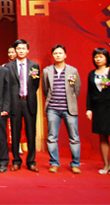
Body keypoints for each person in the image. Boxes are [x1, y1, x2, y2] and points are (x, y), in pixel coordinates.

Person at [42, 44, 81, 174]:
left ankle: (75, 164)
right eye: (55, 53)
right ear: (53, 55)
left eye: (60, 53)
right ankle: (54, 163)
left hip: (69, 109)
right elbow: (45, 89)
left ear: (65, 55)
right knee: (52, 137)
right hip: (52, 109)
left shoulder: (73, 71)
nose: (58, 55)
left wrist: (70, 101)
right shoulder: (47, 71)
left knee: (74, 138)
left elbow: (77, 89)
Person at [86, 47, 110, 176]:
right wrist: (89, 109)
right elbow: (90, 93)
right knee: (102, 137)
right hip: (98, 108)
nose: (98, 59)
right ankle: (106, 165)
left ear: (106, 58)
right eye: (96, 56)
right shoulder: (92, 74)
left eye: (101, 56)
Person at [6, 38, 40, 172]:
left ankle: (31, 161)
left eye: (23, 49)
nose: (21, 51)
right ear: (15, 51)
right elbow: (7, 86)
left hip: (29, 102)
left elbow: (35, 84)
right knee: (15, 132)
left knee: (31, 132)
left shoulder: (34, 66)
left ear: (27, 50)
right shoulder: (9, 66)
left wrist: (28, 95)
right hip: (15, 102)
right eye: (18, 49)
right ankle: (16, 161)